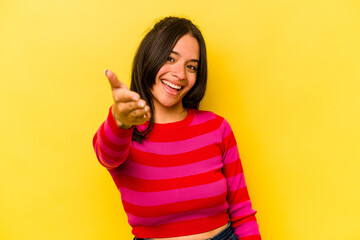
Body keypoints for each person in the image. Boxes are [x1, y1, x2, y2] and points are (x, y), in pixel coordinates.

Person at [92, 16, 261, 240]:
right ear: (148, 59)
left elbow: (242, 214)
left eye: (191, 66)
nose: (180, 74)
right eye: (170, 59)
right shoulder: (122, 134)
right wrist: (120, 120)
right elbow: (107, 155)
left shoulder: (217, 128)